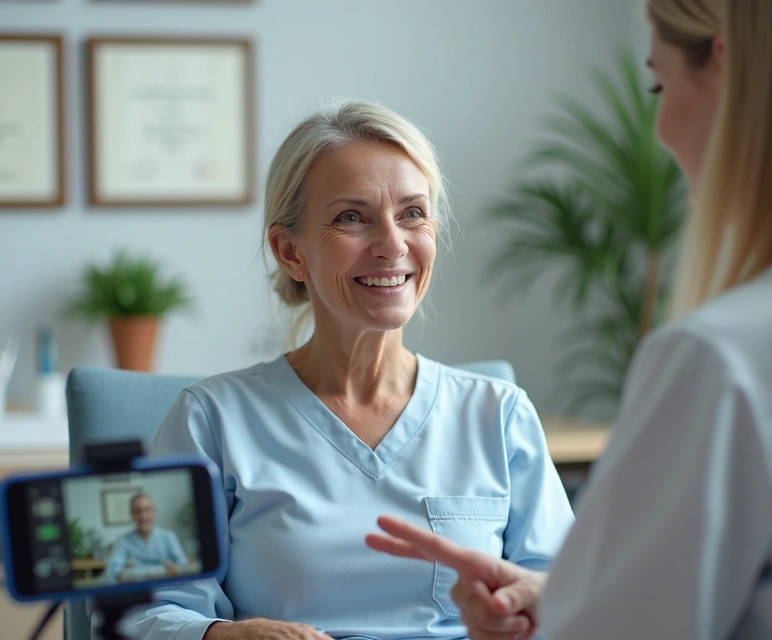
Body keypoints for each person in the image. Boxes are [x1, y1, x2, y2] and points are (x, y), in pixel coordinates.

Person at [366, 0, 772, 638]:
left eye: (658, 86)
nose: (658, 128)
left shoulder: (727, 360)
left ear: (724, 68)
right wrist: (570, 604)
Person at [115, 100, 574, 640]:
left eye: (412, 213)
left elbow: (573, 600)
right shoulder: (210, 421)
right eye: (351, 218)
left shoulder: (499, 414)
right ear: (290, 252)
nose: (393, 245)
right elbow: (143, 612)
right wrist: (224, 636)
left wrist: (533, 612)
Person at [103, 493, 190, 583]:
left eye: (147, 510)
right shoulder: (123, 540)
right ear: (132, 515)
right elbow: (112, 571)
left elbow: (183, 565)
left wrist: (176, 569)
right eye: (138, 511)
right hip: (136, 591)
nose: (144, 516)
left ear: (154, 512)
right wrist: (120, 574)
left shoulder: (168, 536)